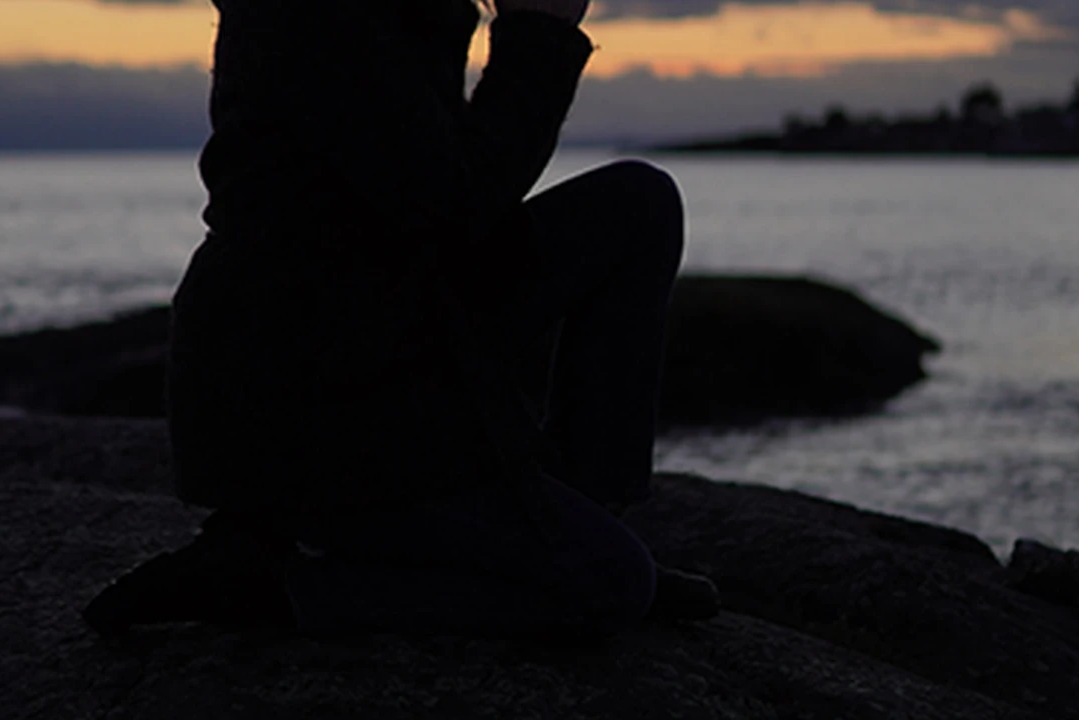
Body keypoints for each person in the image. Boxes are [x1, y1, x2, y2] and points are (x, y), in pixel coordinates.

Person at [83, 0, 719, 640]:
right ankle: (277, 586)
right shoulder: (329, 20)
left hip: (379, 313)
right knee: (607, 583)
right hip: (311, 398)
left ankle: (585, 508)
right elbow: (451, 211)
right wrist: (539, 33)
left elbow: (430, 204)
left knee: (637, 206)